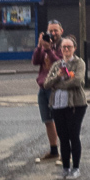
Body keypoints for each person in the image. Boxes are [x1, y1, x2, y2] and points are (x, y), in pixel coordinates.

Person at [43, 35, 87, 180]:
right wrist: (57, 77)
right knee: (63, 137)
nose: (66, 49)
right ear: (60, 49)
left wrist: (59, 85)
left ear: (74, 48)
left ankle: (76, 168)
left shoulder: (79, 63)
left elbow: (77, 81)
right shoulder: (57, 65)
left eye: (69, 47)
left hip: (75, 104)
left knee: (73, 136)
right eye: (64, 47)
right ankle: (65, 167)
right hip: (57, 105)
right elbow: (47, 84)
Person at [32, 19, 64, 163]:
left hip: (56, 88)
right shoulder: (44, 46)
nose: (53, 33)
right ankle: (53, 150)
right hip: (43, 87)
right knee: (48, 121)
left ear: (61, 31)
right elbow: (35, 62)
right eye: (50, 30)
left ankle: (65, 152)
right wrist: (40, 46)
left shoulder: (64, 45)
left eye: (55, 30)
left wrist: (49, 50)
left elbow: (60, 64)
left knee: (60, 120)